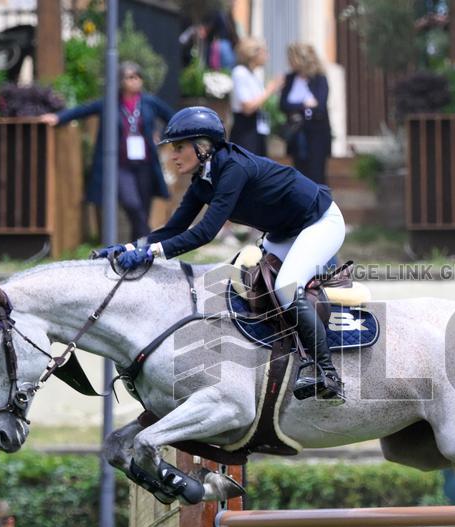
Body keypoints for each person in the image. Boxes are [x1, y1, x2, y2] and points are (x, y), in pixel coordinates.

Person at [103, 106, 346, 402]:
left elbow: (205, 232)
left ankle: (326, 372)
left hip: (319, 222)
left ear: (203, 147)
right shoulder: (202, 182)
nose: (173, 155)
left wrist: (152, 253)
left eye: (179, 148)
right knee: (247, 284)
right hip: (285, 233)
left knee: (286, 286)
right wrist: (130, 247)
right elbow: (173, 228)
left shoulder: (233, 169)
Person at [40, 62, 175, 239]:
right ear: (121, 80)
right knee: (131, 203)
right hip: (120, 165)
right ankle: (148, 240)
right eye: (130, 76)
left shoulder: (149, 102)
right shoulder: (110, 102)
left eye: (137, 76)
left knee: (142, 207)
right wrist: (58, 117)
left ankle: (137, 251)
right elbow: (82, 110)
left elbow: (173, 117)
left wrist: (162, 137)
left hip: (146, 164)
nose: (135, 80)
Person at [280, 43, 332, 186]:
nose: (288, 62)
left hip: (316, 134)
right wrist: (304, 105)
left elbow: (320, 107)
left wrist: (299, 107)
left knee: (316, 174)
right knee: (299, 173)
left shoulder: (319, 78)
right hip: (297, 133)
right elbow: (283, 104)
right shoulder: (290, 78)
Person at [230, 37, 283, 155]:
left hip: (258, 127)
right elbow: (247, 107)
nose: (267, 56)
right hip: (245, 130)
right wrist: (270, 90)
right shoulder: (240, 72)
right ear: (253, 53)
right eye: (265, 52)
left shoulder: (254, 74)